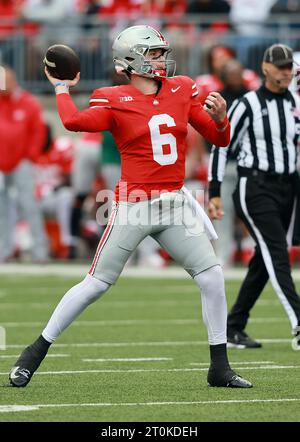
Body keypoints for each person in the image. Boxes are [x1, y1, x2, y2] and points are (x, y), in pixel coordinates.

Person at [9, 25, 252, 388]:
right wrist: (61, 89)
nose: (161, 59)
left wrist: (221, 118)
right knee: (96, 284)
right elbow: (72, 122)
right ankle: (34, 352)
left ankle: (219, 366)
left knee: (212, 277)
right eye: (153, 53)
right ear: (132, 58)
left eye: (160, 52)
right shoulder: (112, 96)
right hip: (134, 205)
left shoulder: (182, 88)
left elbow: (219, 137)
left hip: (175, 203)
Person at [208, 43, 300, 350]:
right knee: (277, 253)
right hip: (255, 187)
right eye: (281, 66)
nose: (287, 71)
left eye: (290, 66)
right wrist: (215, 191)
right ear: (265, 68)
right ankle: (299, 322)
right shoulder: (247, 103)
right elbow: (221, 144)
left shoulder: (294, 104)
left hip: (287, 188)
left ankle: (234, 326)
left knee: (265, 258)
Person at [0, 65, 49, 263]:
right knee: (1, 209)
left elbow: (38, 131)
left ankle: (40, 252)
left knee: (29, 206)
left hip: (22, 162)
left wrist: (30, 156)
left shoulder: (28, 102)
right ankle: (4, 251)